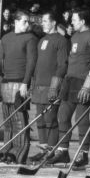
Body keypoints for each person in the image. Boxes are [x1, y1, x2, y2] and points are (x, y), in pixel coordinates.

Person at [46, 8, 90, 168]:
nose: (72, 22)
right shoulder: (75, 36)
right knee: (63, 116)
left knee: (81, 119)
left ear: (83, 21)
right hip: (70, 81)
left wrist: (88, 85)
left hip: (84, 82)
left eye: (75, 20)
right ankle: (63, 152)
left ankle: (83, 154)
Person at [0, 10, 38, 164]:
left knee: (19, 120)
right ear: (16, 22)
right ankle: (6, 149)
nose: (27, 24)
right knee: (8, 121)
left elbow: (31, 62)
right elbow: (0, 62)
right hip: (6, 81)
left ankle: (18, 153)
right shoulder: (6, 38)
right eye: (24, 21)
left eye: (28, 22)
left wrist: (26, 83)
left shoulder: (31, 38)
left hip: (20, 82)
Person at [28, 12, 69, 164]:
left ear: (53, 23)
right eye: (42, 21)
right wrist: (33, 84)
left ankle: (52, 151)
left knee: (50, 119)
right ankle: (43, 149)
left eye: (45, 21)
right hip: (39, 85)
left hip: (51, 84)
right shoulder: (42, 41)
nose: (43, 24)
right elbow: (38, 65)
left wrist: (55, 85)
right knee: (40, 120)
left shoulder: (61, 40)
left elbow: (62, 64)